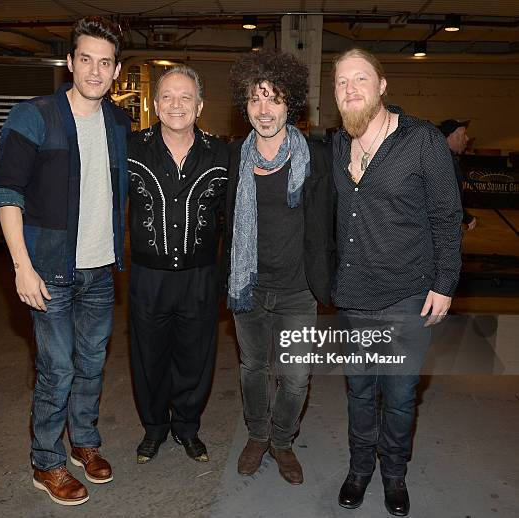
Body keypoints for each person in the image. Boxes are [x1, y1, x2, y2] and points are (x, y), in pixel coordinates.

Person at [0, 17, 130, 506]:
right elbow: (7, 191)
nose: (94, 70)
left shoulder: (117, 123)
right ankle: (45, 462)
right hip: (48, 271)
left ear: (116, 71)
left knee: (91, 364)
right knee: (57, 370)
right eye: (85, 59)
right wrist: (21, 266)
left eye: (105, 62)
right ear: (70, 62)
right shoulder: (34, 115)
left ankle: (84, 443)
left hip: (101, 269)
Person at [332, 48, 462, 516]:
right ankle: (359, 468)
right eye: (342, 82)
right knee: (361, 392)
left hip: (407, 295)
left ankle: (393, 475)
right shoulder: (336, 143)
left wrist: (445, 283)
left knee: (401, 395)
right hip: (352, 297)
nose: (351, 89)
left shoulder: (422, 140)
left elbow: (447, 216)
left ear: (382, 85)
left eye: (360, 79)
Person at [225, 49, 335, 485]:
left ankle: (282, 440)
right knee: (253, 369)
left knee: (293, 379)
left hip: (297, 289)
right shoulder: (234, 157)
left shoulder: (317, 158)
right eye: (255, 99)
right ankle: (257, 435)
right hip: (248, 286)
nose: (264, 110)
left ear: (291, 104)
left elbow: (337, 215)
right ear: (245, 106)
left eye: (274, 99)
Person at [128, 66, 228, 464]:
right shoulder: (130, 147)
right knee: (148, 357)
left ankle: (187, 427)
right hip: (148, 278)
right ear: (155, 104)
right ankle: (154, 428)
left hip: (200, 277)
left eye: (185, 97)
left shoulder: (221, 153)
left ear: (200, 105)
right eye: (167, 96)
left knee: (195, 357)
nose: (176, 104)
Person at [439, 118, 477, 230]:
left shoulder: (445, 157)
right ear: (451, 136)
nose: (467, 138)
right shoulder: (443, 161)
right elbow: (446, 196)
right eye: (463, 134)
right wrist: (466, 217)